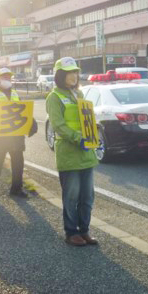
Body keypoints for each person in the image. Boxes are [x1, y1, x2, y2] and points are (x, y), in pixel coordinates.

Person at [46, 57, 99, 246]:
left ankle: (84, 230)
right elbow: (58, 125)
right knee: (71, 195)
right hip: (69, 152)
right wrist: (79, 138)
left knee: (88, 195)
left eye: (76, 72)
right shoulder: (54, 97)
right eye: (70, 72)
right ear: (60, 75)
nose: (74, 76)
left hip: (86, 152)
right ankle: (71, 232)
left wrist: (94, 132)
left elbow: (86, 120)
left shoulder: (79, 94)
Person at [0, 67, 37, 201]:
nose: (7, 79)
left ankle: (16, 189)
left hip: (16, 136)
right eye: (4, 77)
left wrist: (32, 124)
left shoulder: (15, 94)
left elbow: (24, 111)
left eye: (8, 77)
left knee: (18, 162)